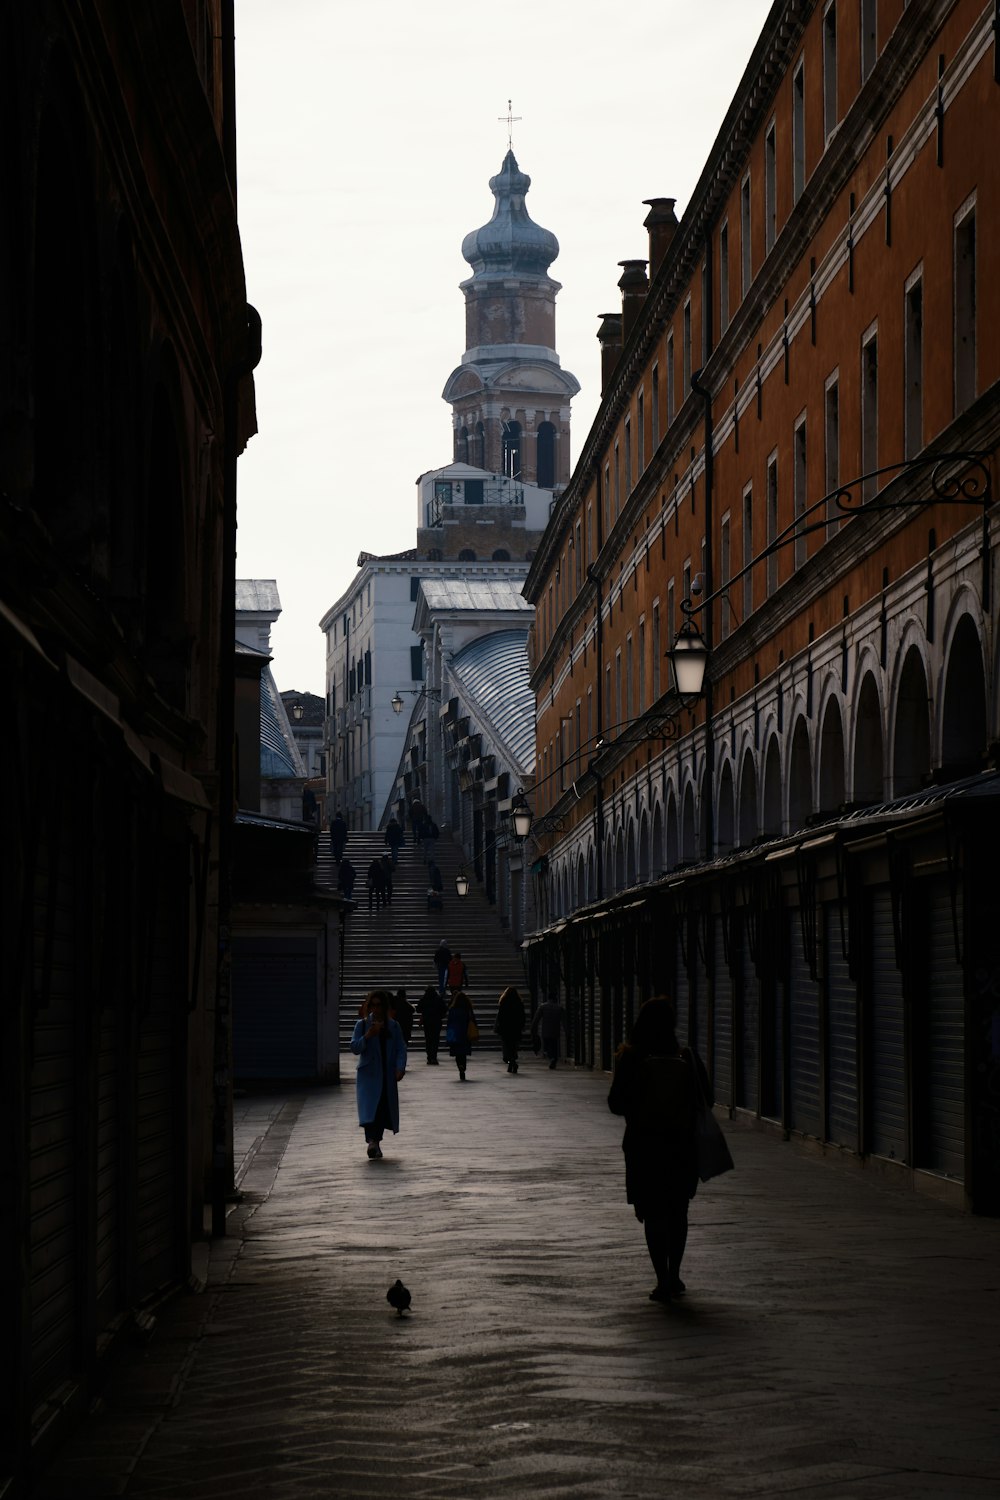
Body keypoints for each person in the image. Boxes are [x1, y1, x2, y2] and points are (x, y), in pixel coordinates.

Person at [607, 996, 712, 1303]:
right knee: (678, 1211)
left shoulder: (630, 1057)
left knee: (653, 1214)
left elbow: (615, 1103)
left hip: (644, 1146)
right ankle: (676, 1273)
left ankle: (661, 1278)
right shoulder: (686, 1057)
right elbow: (707, 1097)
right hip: (681, 1145)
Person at [350, 990, 407, 1159]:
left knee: (382, 1108)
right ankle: (372, 1142)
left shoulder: (393, 1026)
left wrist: (400, 1067)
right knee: (370, 1109)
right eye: (372, 1005)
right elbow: (354, 1047)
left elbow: (400, 1048)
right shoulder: (362, 1025)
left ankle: (376, 1142)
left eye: (379, 1005)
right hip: (368, 1075)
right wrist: (368, 1036)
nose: (376, 1008)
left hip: (386, 1074)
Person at [446, 990, 477, 1081]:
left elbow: (449, 1022)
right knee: (463, 1053)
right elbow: (473, 1021)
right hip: (465, 1034)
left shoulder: (453, 1009)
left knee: (457, 1053)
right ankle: (463, 1066)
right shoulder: (468, 1010)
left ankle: (460, 1066)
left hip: (456, 1034)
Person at [494, 985, 526, 1074]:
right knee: (514, 1046)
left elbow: (500, 1017)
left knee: (507, 1046)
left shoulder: (503, 1002)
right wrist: (522, 1026)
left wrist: (498, 1027)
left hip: (506, 1029)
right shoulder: (519, 1003)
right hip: (516, 1028)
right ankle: (512, 1062)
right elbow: (522, 1016)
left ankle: (511, 1062)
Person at [531, 996, 567, 1068]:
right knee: (554, 1045)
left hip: (545, 1031)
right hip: (555, 1030)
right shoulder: (559, 1008)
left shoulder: (542, 1007)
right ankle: (554, 1058)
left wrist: (533, 1029)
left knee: (547, 1046)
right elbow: (564, 1021)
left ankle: (551, 1058)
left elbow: (536, 1019)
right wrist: (566, 1031)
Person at [415, 985, 446, 1064]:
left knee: (428, 1039)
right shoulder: (438, 999)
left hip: (427, 1022)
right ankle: (434, 1057)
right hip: (436, 1021)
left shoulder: (424, 999)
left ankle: (429, 1057)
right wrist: (440, 1016)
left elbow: (418, 1009)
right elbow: (445, 1009)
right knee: (435, 1039)